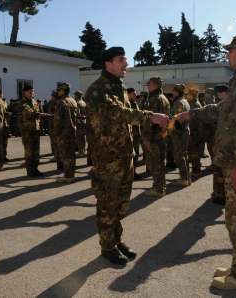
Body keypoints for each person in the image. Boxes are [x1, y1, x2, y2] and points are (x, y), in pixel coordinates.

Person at [177, 33, 236, 289]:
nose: (227, 54)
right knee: (235, 217)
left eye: (231, 50)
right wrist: (192, 114)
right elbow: (224, 110)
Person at [85, 46, 169, 266]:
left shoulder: (118, 87)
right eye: (121, 59)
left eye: (125, 59)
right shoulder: (98, 89)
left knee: (121, 204)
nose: (126, 64)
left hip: (123, 155)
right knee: (107, 204)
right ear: (108, 63)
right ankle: (107, 246)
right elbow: (117, 113)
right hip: (107, 159)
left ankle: (116, 240)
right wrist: (150, 116)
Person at [142, 77, 170, 197]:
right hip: (161, 135)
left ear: (154, 85)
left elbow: (150, 121)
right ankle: (160, 186)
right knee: (160, 162)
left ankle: (158, 188)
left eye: (149, 84)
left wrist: (147, 138)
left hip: (154, 136)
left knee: (155, 163)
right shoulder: (163, 98)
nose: (147, 85)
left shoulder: (154, 99)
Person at [54, 82, 78, 183]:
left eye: (59, 90)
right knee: (71, 154)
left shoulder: (62, 102)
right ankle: (71, 174)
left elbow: (58, 119)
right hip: (72, 131)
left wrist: (56, 132)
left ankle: (68, 176)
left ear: (63, 91)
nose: (58, 92)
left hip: (64, 132)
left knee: (65, 154)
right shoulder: (72, 101)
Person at [169, 84, 191, 186]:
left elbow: (179, 120)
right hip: (183, 132)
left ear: (177, 92)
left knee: (179, 156)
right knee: (183, 155)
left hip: (179, 133)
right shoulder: (183, 101)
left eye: (173, 90)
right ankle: (186, 177)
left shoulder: (179, 102)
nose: (172, 92)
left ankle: (184, 179)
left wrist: (170, 127)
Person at [20, 84, 43, 177]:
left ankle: (35, 168)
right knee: (29, 151)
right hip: (27, 131)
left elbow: (38, 114)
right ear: (25, 93)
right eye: (30, 92)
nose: (32, 93)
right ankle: (30, 170)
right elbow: (28, 113)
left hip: (35, 130)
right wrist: (37, 114)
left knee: (36, 151)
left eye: (33, 91)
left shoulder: (35, 102)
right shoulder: (22, 103)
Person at [186, 87, 203, 180]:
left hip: (195, 133)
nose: (186, 96)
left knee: (194, 153)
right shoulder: (191, 104)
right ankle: (196, 170)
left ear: (192, 95)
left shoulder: (195, 105)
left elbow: (193, 121)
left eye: (188, 94)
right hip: (193, 132)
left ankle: (196, 171)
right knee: (192, 153)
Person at [127, 88, 143, 180]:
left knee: (136, 153)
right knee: (131, 154)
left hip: (137, 132)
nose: (135, 95)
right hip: (131, 133)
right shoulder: (127, 104)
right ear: (128, 94)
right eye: (133, 93)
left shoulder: (134, 103)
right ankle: (130, 173)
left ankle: (133, 172)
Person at [74, 90, 87, 155]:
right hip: (84, 120)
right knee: (83, 136)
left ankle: (80, 151)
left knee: (79, 137)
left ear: (77, 95)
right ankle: (84, 150)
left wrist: (76, 121)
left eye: (75, 95)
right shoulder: (84, 102)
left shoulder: (77, 103)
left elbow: (77, 113)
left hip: (79, 121)